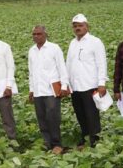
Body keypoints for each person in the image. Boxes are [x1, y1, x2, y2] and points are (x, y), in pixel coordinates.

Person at [66, 14, 108, 149]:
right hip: (75, 86)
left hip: (90, 84)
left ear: (87, 26)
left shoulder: (95, 42)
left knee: (92, 115)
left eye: (80, 25)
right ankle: (84, 137)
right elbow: (69, 64)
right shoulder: (73, 43)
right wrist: (66, 83)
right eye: (75, 26)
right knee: (80, 114)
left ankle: (94, 140)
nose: (77, 28)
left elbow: (102, 64)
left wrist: (102, 83)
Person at [28, 25, 70, 154]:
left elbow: (62, 67)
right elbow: (31, 72)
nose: (36, 36)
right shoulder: (32, 50)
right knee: (41, 117)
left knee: (53, 117)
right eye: (34, 34)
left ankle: (57, 144)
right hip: (38, 90)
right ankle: (47, 143)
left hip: (51, 90)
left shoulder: (54, 48)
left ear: (46, 34)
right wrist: (31, 89)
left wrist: (64, 86)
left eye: (39, 34)